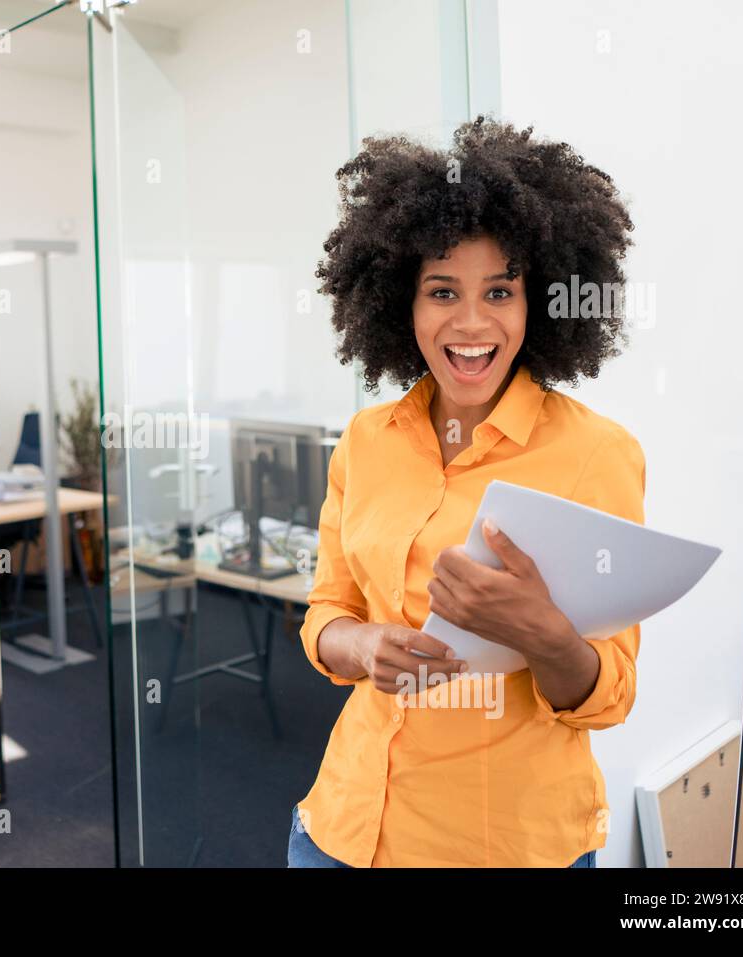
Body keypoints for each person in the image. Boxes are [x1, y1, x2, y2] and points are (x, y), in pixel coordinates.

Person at [291, 116, 642, 868]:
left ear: (537, 303)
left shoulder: (596, 454)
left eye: (501, 291)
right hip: (341, 828)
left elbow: (610, 693)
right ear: (402, 306)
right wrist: (363, 644)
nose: (472, 322)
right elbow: (327, 611)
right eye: (442, 290)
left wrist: (542, 633)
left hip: (503, 843)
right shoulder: (364, 440)